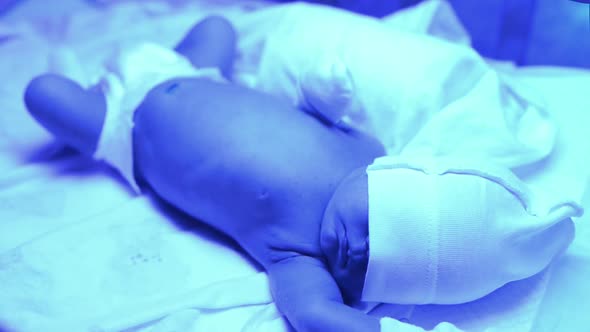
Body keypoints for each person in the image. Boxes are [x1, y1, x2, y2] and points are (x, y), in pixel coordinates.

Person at [24, 11, 581, 332]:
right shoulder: (368, 148)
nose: (356, 252)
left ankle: (82, 113)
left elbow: (315, 315)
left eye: (372, 271)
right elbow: (318, 113)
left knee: (42, 94)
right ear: (395, 178)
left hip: (124, 131)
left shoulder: (298, 253)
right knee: (218, 23)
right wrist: (323, 93)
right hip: (201, 75)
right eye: (376, 228)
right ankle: (181, 55)